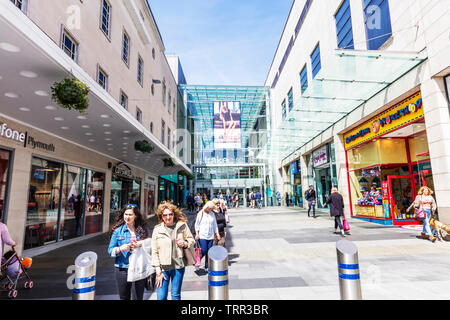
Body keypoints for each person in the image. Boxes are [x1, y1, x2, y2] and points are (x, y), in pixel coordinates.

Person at [151, 201, 195, 300]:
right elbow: (154, 250)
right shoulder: (157, 229)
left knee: (175, 295)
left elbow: (191, 239)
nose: (168, 217)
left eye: (170, 214)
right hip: (163, 268)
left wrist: (185, 243)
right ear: (161, 216)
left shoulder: (182, 225)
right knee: (161, 297)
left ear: (174, 215)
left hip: (178, 266)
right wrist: (158, 271)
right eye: (165, 215)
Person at [108, 204, 149, 300]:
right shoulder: (117, 231)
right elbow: (110, 250)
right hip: (122, 268)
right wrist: (120, 248)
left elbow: (151, 245)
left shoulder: (143, 230)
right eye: (126, 214)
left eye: (130, 214)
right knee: (124, 297)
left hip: (139, 268)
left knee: (138, 298)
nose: (127, 217)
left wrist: (141, 243)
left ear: (136, 216)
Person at [194, 202, 221, 271]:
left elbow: (215, 225)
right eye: (210, 208)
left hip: (211, 235)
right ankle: (197, 261)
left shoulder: (212, 214)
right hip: (202, 235)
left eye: (212, 208)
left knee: (209, 251)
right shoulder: (201, 213)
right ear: (206, 207)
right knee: (204, 250)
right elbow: (197, 224)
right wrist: (197, 233)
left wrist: (217, 234)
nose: (210, 210)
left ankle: (207, 266)